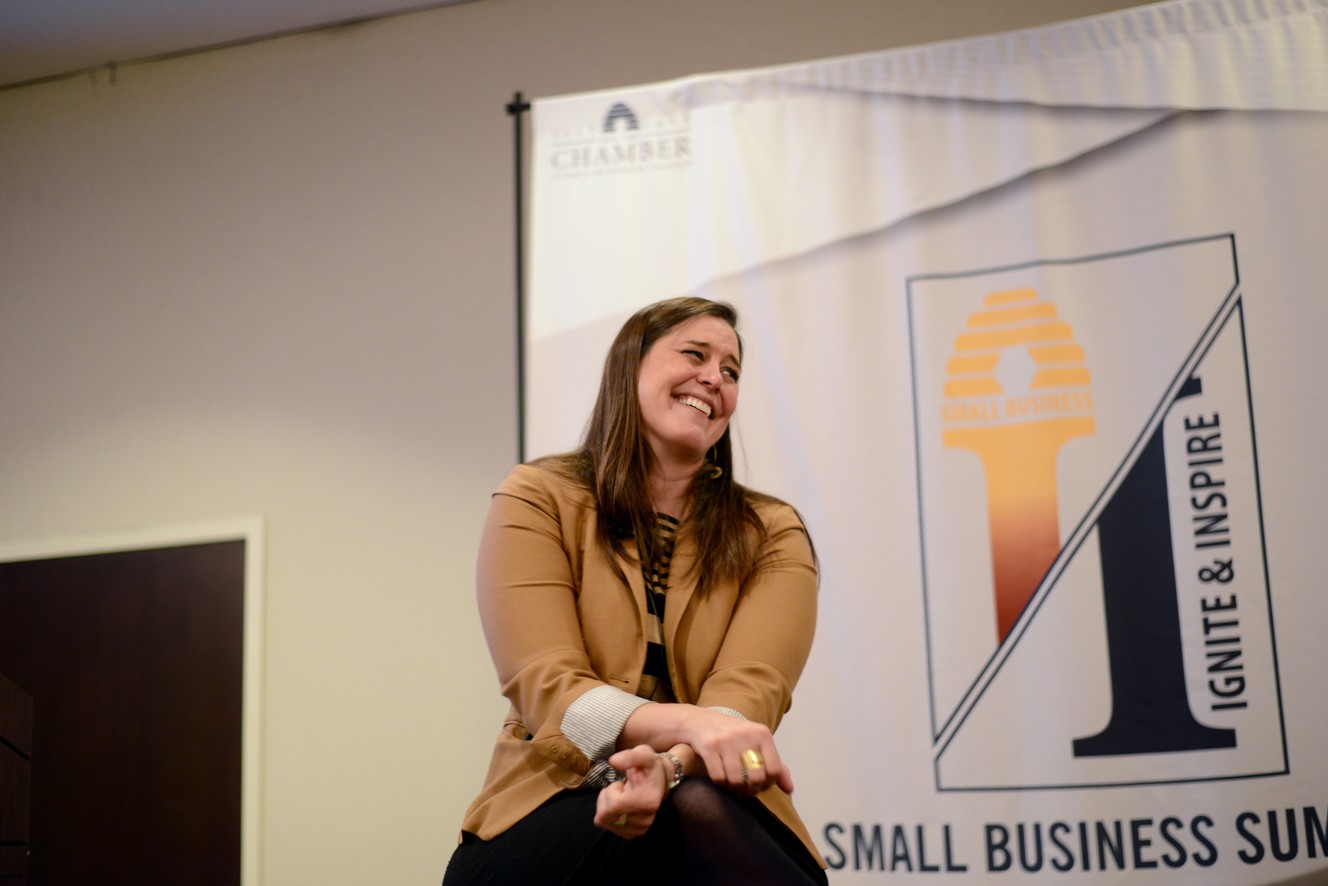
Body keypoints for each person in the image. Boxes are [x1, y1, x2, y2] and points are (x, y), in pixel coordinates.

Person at [443, 297, 827, 885]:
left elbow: (747, 701)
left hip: (710, 788)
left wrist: (671, 766)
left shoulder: (772, 530)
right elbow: (547, 685)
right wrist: (689, 726)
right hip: (553, 792)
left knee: (693, 809)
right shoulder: (537, 496)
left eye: (730, 372)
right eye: (695, 355)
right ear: (630, 369)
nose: (714, 378)